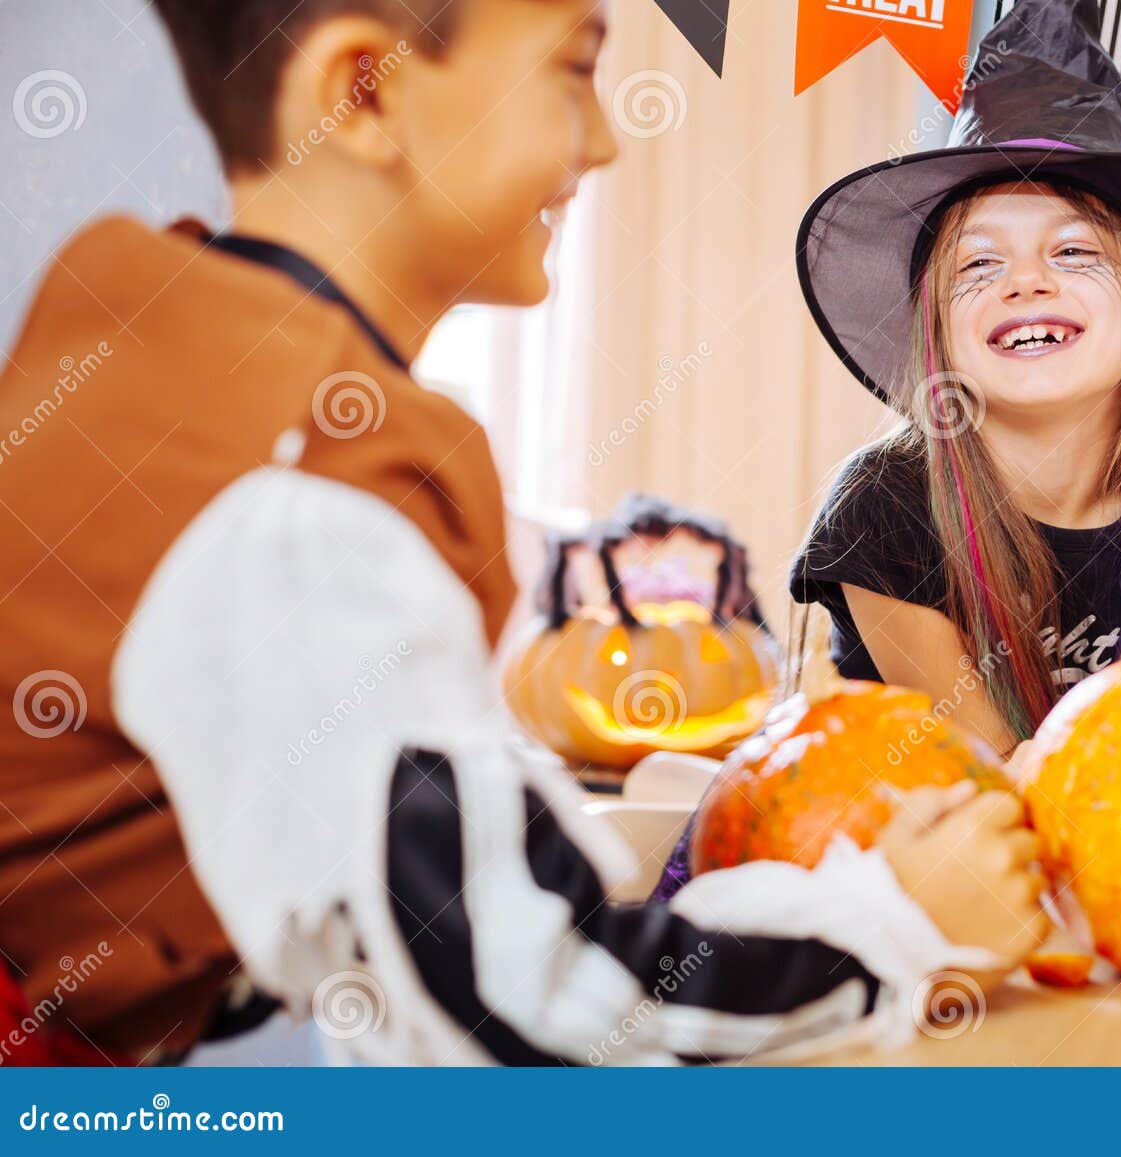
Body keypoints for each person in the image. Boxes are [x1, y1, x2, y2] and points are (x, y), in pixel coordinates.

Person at [0, 0, 1046, 1066]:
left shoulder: (169, 343)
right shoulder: (304, 481)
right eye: (572, 70)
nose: (604, 137)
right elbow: (528, 996)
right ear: (365, 92)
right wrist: (898, 925)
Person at [790, 0, 1121, 758]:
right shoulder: (887, 504)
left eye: (1075, 253)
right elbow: (998, 776)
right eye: (978, 264)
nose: (1025, 282)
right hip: (910, 857)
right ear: (937, 333)